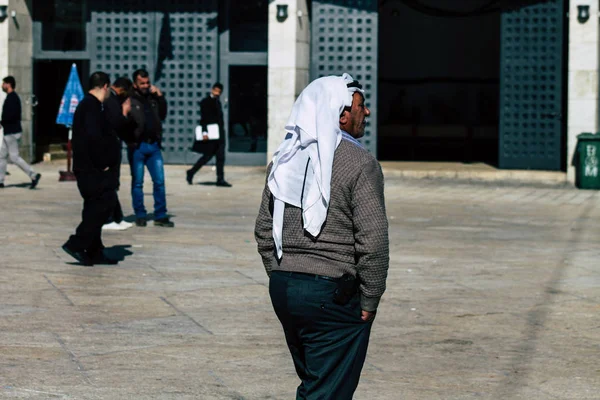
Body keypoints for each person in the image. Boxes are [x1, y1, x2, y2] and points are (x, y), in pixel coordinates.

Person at [254, 74, 389, 400]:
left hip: (286, 290)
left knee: (316, 383)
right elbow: (373, 243)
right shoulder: (360, 162)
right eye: (360, 105)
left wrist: (285, 276)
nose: (366, 112)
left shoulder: (284, 159)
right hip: (332, 294)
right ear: (341, 114)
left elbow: (263, 230)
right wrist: (369, 300)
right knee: (326, 391)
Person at [62, 72, 122, 266]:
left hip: (91, 168)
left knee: (92, 208)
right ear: (105, 86)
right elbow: (94, 138)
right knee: (104, 204)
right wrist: (103, 163)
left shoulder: (92, 106)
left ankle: (94, 250)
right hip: (93, 169)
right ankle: (76, 243)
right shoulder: (90, 106)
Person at [127, 69, 174, 227]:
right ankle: (140, 214)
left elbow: (163, 114)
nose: (146, 86)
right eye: (142, 83)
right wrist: (131, 140)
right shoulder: (130, 99)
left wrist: (160, 97)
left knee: (159, 181)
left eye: (148, 82)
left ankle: (161, 215)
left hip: (154, 145)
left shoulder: (153, 98)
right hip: (138, 146)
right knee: (138, 182)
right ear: (135, 84)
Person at [102, 77, 134, 231]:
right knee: (110, 182)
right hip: (109, 146)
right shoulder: (111, 100)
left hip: (112, 146)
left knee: (113, 183)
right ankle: (108, 219)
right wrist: (125, 112)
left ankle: (117, 217)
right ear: (122, 89)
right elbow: (118, 124)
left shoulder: (111, 99)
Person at [186, 82, 232, 187]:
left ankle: (220, 179)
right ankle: (191, 171)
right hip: (211, 134)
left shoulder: (217, 102)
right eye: (215, 91)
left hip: (219, 133)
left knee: (220, 157)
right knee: (207, 156)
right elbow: (204, 119)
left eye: (219, 92)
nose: (217, 93)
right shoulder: (205, 102)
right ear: (212, 89)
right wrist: (205, 132)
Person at [0, 76, 41, 189]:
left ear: (8, 84)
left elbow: (11, 115)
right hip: (8, 132)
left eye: (3, 83)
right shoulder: (11, 97)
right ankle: (0, 180)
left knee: (14, 157)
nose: (2, 86)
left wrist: (2, 122)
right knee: (2, 156)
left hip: (12, 133)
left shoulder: (13, 98)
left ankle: (33, 174)